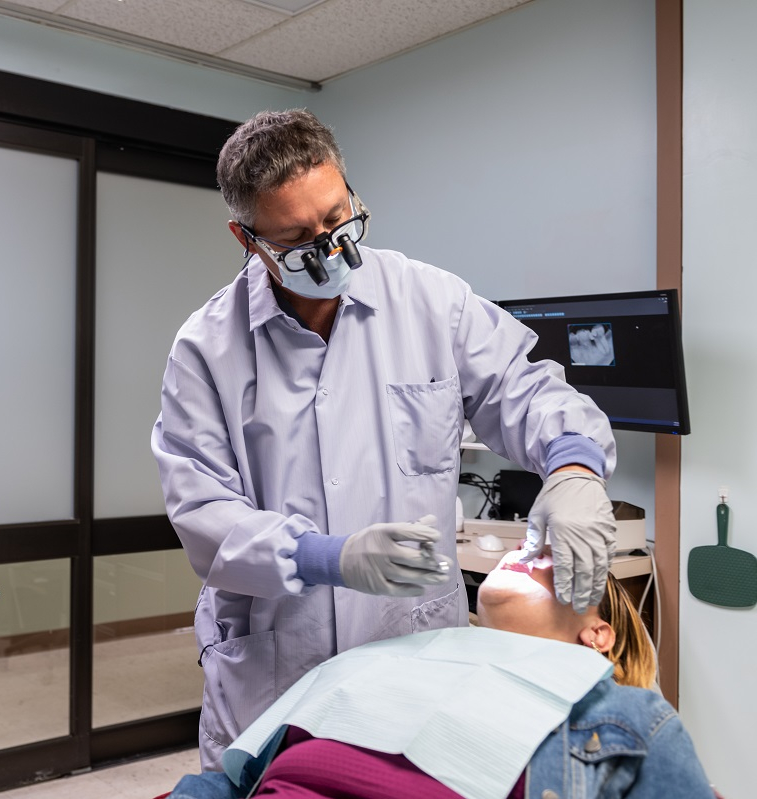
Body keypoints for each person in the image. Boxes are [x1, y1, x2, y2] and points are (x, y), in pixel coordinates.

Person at [151, 108, 619, 769]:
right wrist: (323, 556)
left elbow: (528, 391)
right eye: (298, 239)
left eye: (339, 219)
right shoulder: (207, 350)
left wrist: (573, 467)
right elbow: (203, 513)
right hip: (277, 672)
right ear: (246, 237)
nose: (332, 248)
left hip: (418, 652)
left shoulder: (431, 301)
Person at [166, 550, 716, 798]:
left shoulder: (623, 717)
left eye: (557, 559)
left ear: (597, 635)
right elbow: (230, 782)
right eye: (532, 545)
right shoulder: (389, 657)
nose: (533, 547)